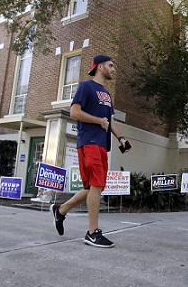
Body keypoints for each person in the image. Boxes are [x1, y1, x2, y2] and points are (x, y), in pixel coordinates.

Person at [50, 54, 130, 248]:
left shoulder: (106, 94)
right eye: (111, 66)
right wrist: (98, 121)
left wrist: (121, 138)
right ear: (100, 66)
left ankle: (61, 210)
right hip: (89, 141)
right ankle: (92, 233)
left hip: (102, 144)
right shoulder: (86, 87)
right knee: (95, 185)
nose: (113, 69)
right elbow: (74, 112)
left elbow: (110, 121)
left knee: (94, 187)